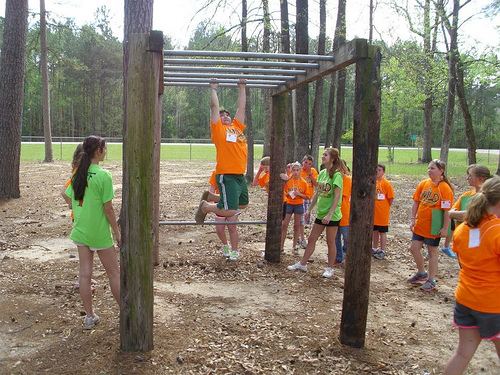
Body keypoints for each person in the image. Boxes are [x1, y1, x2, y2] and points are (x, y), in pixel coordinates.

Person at [62, 135, 120, 330]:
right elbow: (108, 210)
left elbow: (68, 197)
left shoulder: (78, 173)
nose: (106, 152)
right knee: (114, 274)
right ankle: (126, 313)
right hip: (98, 232)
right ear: (99, 151)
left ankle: (89, 316)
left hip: (81, 230)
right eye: (105, 148)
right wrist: (117, 233)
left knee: (85, 274)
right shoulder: (104, 176)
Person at [443, 177, 500, 375]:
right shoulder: (497, 231)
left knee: (462, 354)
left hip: (466, 300)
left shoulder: (463, 229)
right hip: (493, 304)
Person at [195, 79, 249, 247]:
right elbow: (214, 108)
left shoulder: (237, 128)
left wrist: (242, 88)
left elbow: (241, 108)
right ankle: (206, 206)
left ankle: (212, 197)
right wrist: (213, 89)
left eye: (227, 114)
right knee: (231, 210)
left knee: (243, 203)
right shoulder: (219, 130)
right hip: (227, 174)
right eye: (222, 115)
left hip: (240, 175)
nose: (225, 116)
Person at [287, 148, 344, 279]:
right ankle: (302, 264)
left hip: (332, 215)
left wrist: (330, 214)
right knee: (312, 239)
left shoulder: (336, 175)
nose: (323, 157)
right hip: (321, 213)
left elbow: (336, 197)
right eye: (323, 154)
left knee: (331, 242)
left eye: (325, 155)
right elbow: (318, 193)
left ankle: (330, 268)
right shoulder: (323, 173)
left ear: (332, 158)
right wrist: (309, 209)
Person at [407, 159, 454, 292]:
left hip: (433, 226)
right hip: (420, 224)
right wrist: (412, 219)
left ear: (441, 171)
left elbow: (447, 211)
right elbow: (416, 202)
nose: (429, 171)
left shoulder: (444, 188)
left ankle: (431, 279)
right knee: (414, 248)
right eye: (429, 168)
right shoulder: (423, 183)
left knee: (432, 252)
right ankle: (421, 272)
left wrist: (445, 228)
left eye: (433, 168)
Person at [61, 143, 97, 291]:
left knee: (88, 251)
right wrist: (71, 204)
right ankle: (81, 280)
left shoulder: (83, 171)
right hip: (79, 217)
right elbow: (64, 191)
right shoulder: (78, 172)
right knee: (85, 251)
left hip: (82, 217)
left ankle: (85, 277)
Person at [441, 164, 493, 258]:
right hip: (464, 237)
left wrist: (455, 214)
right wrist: (453, 213)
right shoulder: (467, 195)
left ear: (480, 179)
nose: (467, 178)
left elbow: (474, 215)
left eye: (470, 175)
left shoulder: (489, 197)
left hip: (481, 238)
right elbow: (451, 212)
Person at [281, 161, 312, 255]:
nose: (295, 172)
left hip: (299, 204)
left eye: (297, 170)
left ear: (300, 171)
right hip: (289, 204)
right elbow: (283, 191)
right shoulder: (289, 180)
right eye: (294, 170)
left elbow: (308, 196)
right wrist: (287, 194)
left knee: (296, 225)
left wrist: (299, 194)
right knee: (284, 224)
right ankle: (281, 246)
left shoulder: (303, 182)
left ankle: (294, 246)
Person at [209, 170, 239, 260]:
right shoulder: (216, 172)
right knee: (219, 229)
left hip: (232, 202)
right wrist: (211, 204)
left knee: (232, 227)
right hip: (219, 203)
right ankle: (225, 245)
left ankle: (235, 251)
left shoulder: (235, 173)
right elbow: (212, 188)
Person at [372, 163, 395, 260]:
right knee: (374, 231)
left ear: (383, 172)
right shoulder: (372, 182)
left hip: (382, 213)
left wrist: (385, 206)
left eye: (380, 170)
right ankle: (374, 247)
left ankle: (382, 250)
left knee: (382, 232)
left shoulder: (386, 184)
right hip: (374, 213)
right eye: (376, 169)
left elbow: (390, 198)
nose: (377, 171)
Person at [298, 155, 319, 249]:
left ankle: (300, 237)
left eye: (309, 164)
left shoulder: (313, 171)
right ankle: (302, 239)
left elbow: (316, 184)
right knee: (301, 220)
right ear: (302, 161)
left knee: (306, 220)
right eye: (306, 162)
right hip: (300, 198)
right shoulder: (299, 171)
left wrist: (310, 173)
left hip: (309, 198)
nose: (307, 165)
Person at [335, 160, 351, 263]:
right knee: (336, 237)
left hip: (344, 211)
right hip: (336, 212)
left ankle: (348, 253)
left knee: (346, 236)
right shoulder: (335, 178)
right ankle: (338, 256)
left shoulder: (347, 180)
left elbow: (341, 195)